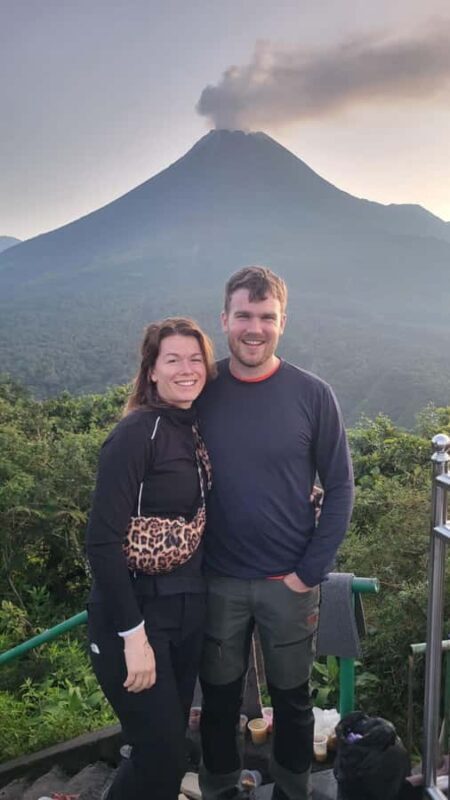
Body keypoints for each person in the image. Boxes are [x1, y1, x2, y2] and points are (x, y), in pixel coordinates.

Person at [197, 267, 354, 800]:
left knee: (292, 701)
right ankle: (220, 789)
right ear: (224, 320)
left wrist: (308, 572)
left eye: (267, 317)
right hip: (217, 579)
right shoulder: (203, 391)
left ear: (283, 322)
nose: (254, 328)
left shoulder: (313, 395)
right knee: (218, 701)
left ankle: (291, 792)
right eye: (244, 315)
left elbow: (340, 488)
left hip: (288, 582)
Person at [85, 317, 216, 800]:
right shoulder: (137, 433)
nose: (186, 369)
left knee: (161, 754)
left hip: (183, 614)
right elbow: (101, 541)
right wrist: (132, 635)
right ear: (152, 371)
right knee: (161, 752)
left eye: (195, 359)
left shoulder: (190, 428)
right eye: (173, 359)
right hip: (135, 618)